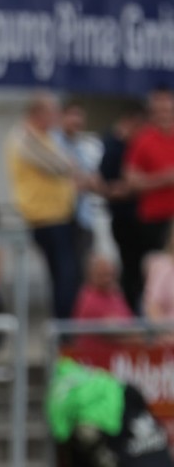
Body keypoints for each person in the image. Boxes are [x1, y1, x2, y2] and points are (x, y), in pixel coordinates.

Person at [7, 93, 83, 320]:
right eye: (52, 113)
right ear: (37, 113)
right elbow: (59, 165)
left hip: (60, 216)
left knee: (69, 278)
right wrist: (71, 167)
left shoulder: (44, 136)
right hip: (45, 218)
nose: (55, 118)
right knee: (64, 278)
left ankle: (66, 331)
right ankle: (62, 334)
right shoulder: (24, 137)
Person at [126, 85, 174, 313]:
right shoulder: (143, 139)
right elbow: (131, 180)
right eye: (159, 108)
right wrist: (162, 179)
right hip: (154, 220)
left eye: (167, 107)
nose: (164, 112)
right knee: (155, 276)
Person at [97, 100, 147, 311]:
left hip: (141, 215)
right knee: (129, 267)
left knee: (142, 267)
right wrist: (119, 189)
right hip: (122, 216)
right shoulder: (111, 146)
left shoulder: (138, 144)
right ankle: (131, 309)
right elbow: (102, 182)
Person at [55, 99, 105, 265]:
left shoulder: (83, 148)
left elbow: (96, 183)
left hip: (83, 219)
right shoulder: (52, 143)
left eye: (80, 117)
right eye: (73, 115)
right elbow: (64, 182)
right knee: (64, 271)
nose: (77, 121)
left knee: (81, 271)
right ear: (62, 117)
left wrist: (80, 181)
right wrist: (81, 181)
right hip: (61, 218)